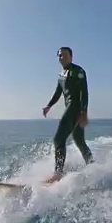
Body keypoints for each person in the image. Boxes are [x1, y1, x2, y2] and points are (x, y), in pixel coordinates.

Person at [42, 46, 94, 183]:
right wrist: (49, 105)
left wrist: (84, 111)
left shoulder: (78, 71)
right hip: (72, 108)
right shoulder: (61, 75)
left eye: (64, 55)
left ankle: (58, 173)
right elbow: (58, 93)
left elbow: (84, 92)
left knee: (58, 139)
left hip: (75, 108)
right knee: (79, 140)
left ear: (71, 56)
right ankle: (92, 165)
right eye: (59, 55)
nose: (61, 58)